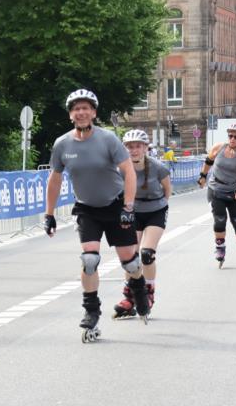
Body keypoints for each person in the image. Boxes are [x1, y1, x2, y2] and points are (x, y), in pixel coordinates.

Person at [43, 89, 149, 342]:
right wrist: (49, 214)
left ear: (93, 113)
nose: (81, 112)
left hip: (116, 205)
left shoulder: (108, 139)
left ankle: (139, 289)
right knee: (89, 259)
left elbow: (128, 172)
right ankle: (91, 311)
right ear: (70, 115)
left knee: (130, 263)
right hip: (87, 208)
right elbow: (55, 179)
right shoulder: (62, 144)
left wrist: (128, 207)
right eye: (76, 109)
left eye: (85, 108)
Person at [113, 130, 170, 318]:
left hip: (155, 211)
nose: (134, 150)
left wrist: (161, 207)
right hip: (133, 212)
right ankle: (129, 297)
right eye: (130, 147)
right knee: (131, 257)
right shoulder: (121, 168)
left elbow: (167, 190)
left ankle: (149, 292)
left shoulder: (158, 167)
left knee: (147, 254)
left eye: (138, 146)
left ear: (146, 148)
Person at [198, 124, 236, 268]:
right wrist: (203, 176)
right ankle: (220, 247)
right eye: (230, 136)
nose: (232, 139)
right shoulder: (219, 147)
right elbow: (208, 161)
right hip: (215, 189)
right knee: (220, 220)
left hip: (234, 190)